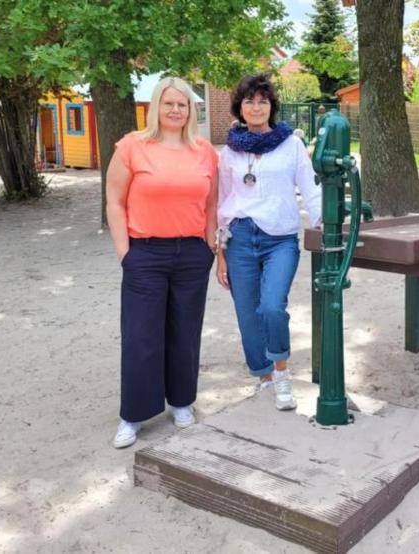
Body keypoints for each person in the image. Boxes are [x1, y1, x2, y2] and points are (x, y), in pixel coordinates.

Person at [105, 77, 219, 448]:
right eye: (169, 103)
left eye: (182, 104)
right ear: (156, 106)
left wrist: (210, 247)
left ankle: (182, 402)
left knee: (185, 333)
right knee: (141, 336)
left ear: (191, 110)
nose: (175, 110)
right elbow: (115, 201)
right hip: (146, 253)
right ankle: (134, 414)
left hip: (191, 254)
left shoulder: (204, 151)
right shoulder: (132, 146)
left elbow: (211, 205)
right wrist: (126, 253)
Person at [216, 74, 321, 410]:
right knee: (247, 313)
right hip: (240, 237)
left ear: (272, 106)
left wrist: (323, 223)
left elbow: (311, 186)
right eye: (250, 101)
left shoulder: (290, 144)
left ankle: (281, 372)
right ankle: (263, 377)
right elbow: (222, 200)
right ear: (240, 108)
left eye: (263, 101)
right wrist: (220, 252)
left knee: (272, 306)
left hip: (279, 238)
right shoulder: (229, 151)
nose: (256, 107)